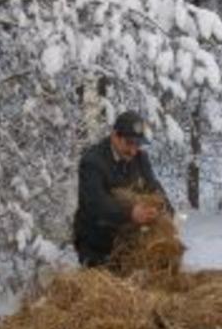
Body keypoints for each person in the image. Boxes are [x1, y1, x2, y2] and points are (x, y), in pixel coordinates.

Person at [72, 111, 172, 267]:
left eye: (137, 144)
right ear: (114, 136)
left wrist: (166, 212)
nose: (133, 151)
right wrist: (130, 213)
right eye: (128, 143)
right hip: (96, 245)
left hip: (127, 241)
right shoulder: (92, 162)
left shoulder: (140, 158)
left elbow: (153, 188)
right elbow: (96, 203)